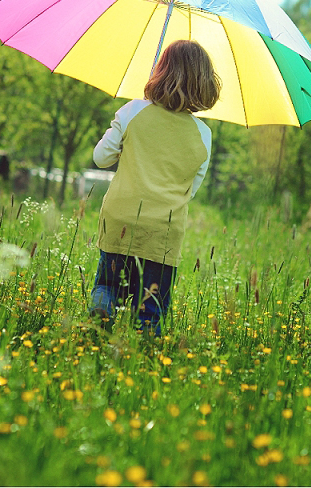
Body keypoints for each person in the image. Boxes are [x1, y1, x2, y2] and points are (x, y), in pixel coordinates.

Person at [87, 40, 220, 336]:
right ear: (205, 83)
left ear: (160, 71)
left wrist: (126, 144)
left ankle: (103, 309)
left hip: (120, 217)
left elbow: (100, 158)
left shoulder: (134, 111)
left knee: (108, 284)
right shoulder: (203, 134)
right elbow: (191, 189)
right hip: (164, 228)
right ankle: (146, 346)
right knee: (152, 306)